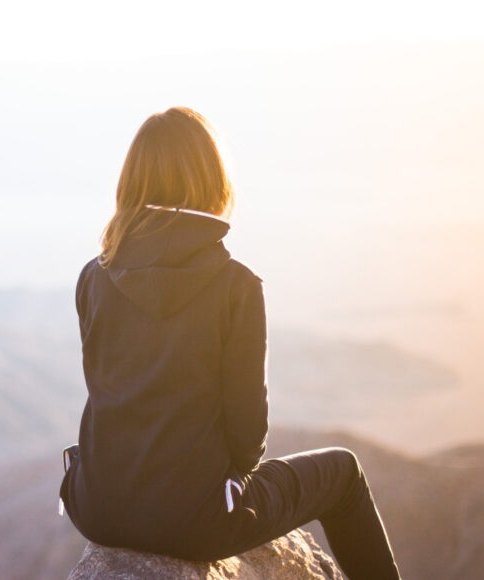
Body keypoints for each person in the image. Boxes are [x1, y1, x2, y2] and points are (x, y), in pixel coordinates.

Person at [58, 107, 401, 579]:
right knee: (344, 473)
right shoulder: (236, 287)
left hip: (96, 508)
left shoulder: (92, 278)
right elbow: (247, 436)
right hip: (197, 524)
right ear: (211, 180)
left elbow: (110, 393)